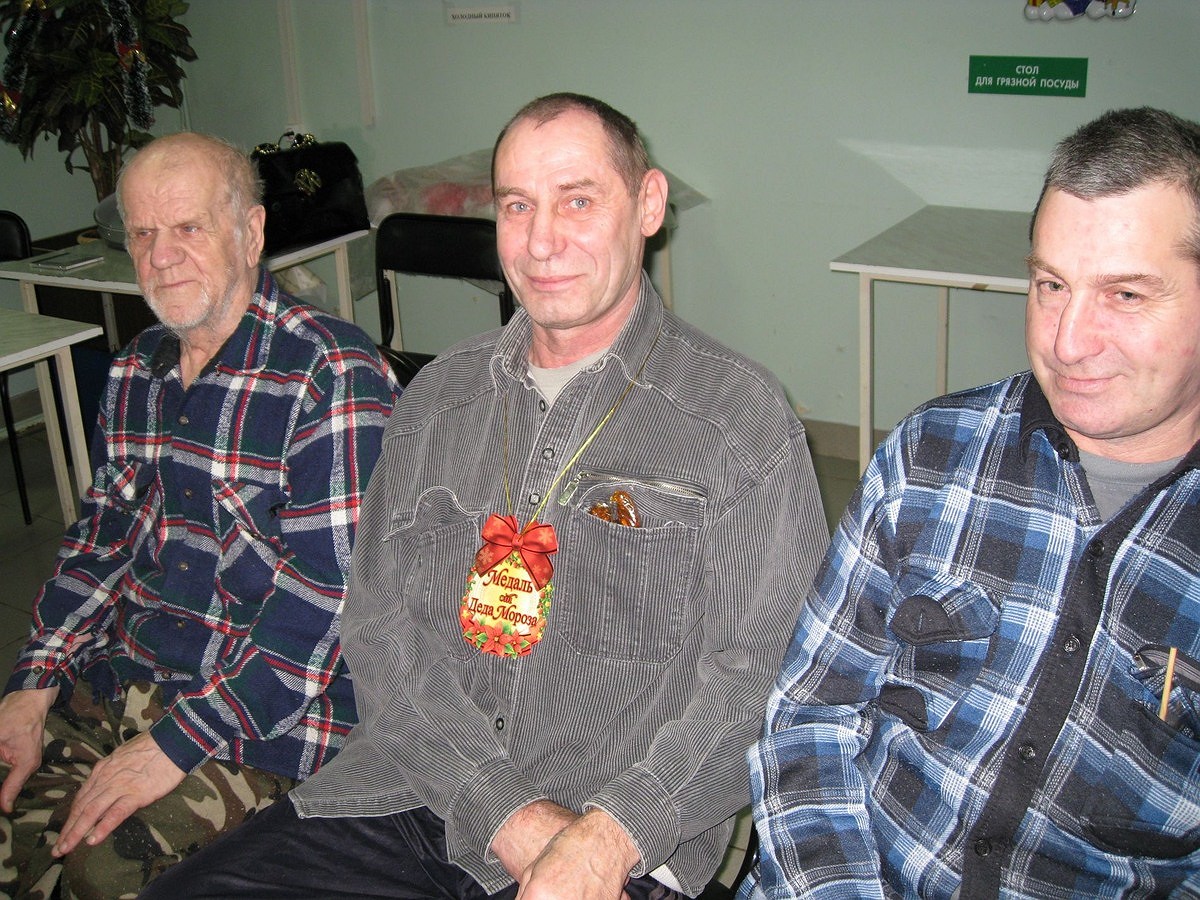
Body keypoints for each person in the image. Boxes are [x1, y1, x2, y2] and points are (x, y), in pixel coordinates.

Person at [140, 92, 829, 900]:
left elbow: (769, 678)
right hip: (411, 795)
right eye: (517, 206)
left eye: (578, 201)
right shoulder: (436, 402)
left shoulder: (738, 420)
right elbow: (379, 628)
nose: (541, 241)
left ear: (648, 205)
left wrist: (611, 835)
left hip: (614, 835)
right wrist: (500, 809)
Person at [742, 106, 1200, 900]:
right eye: (1050, 285)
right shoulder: (932, 452)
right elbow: (808, 716)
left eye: (1125, 294)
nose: (1068, 341)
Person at [0, 132, 397, 899]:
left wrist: (173, 745)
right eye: (143, 233)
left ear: (250, 233)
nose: (161, 256)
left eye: (188, 227)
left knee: (102, 871)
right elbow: (100, 545)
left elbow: (327, 608)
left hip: (270, 718)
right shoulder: (134, 370)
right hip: (128, 674)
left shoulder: (331, 376)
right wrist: (35, 680)